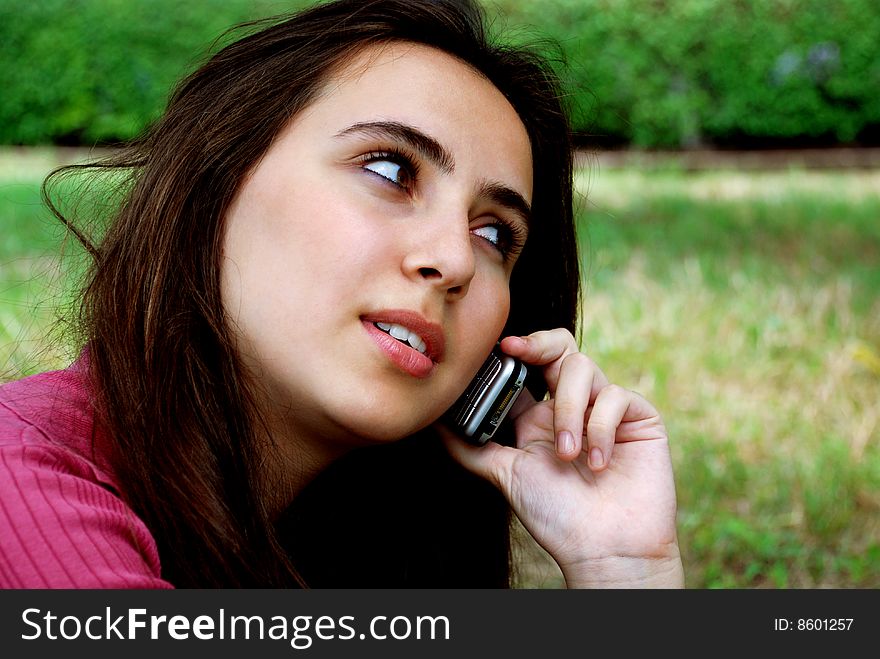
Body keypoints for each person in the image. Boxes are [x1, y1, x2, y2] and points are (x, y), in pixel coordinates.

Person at [0, 0, 683, 588]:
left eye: (495, 234)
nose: (452, 261)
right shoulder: (23, 481)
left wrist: (624, 570)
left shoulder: (344, 541)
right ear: (217, 178)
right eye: (390, 169)